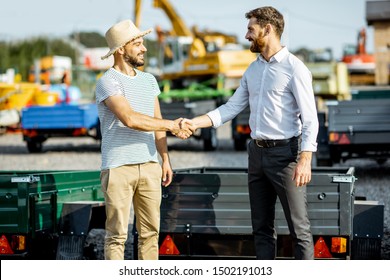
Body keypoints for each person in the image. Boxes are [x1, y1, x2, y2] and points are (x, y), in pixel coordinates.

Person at [185, 6, 319, 260]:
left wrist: (305, 159)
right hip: (256, 155)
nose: (246, 35)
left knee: (299, 230)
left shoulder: (295, 68)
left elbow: (310, 118)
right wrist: (194, 123)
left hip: (285, 157)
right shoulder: (253, 70)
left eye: (251, 29)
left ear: (268, 29)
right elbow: (231, 108)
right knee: (261, 229)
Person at [95, 19, 191, 260]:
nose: (144, 48)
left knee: (150, 234)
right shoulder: (108, 81)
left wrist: (165, 160)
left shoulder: (149, 80)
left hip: (149, 166)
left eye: (142, 43)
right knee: (117, 235)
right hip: (118, 167)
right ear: (120, 50)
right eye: (137, 43)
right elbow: (130, 118)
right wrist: (172, 125)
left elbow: (155, 121)